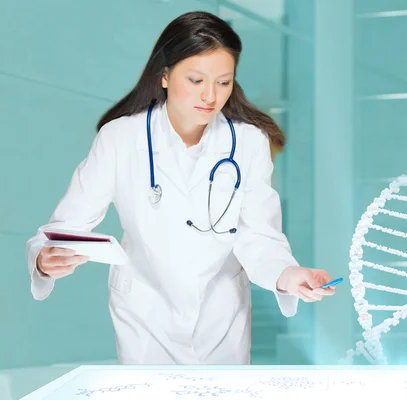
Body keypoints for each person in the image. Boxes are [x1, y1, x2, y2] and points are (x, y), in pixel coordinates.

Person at [25, 11, 337, 365]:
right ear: (164, 75)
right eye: (195, 79)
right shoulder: (120, 138)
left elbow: (260, 237)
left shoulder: (249, 142)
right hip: (144, 312)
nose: (210, 95)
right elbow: (65, 226)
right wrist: (45, 258)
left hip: (222, 316)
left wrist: (290, 275)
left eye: (223, 82)